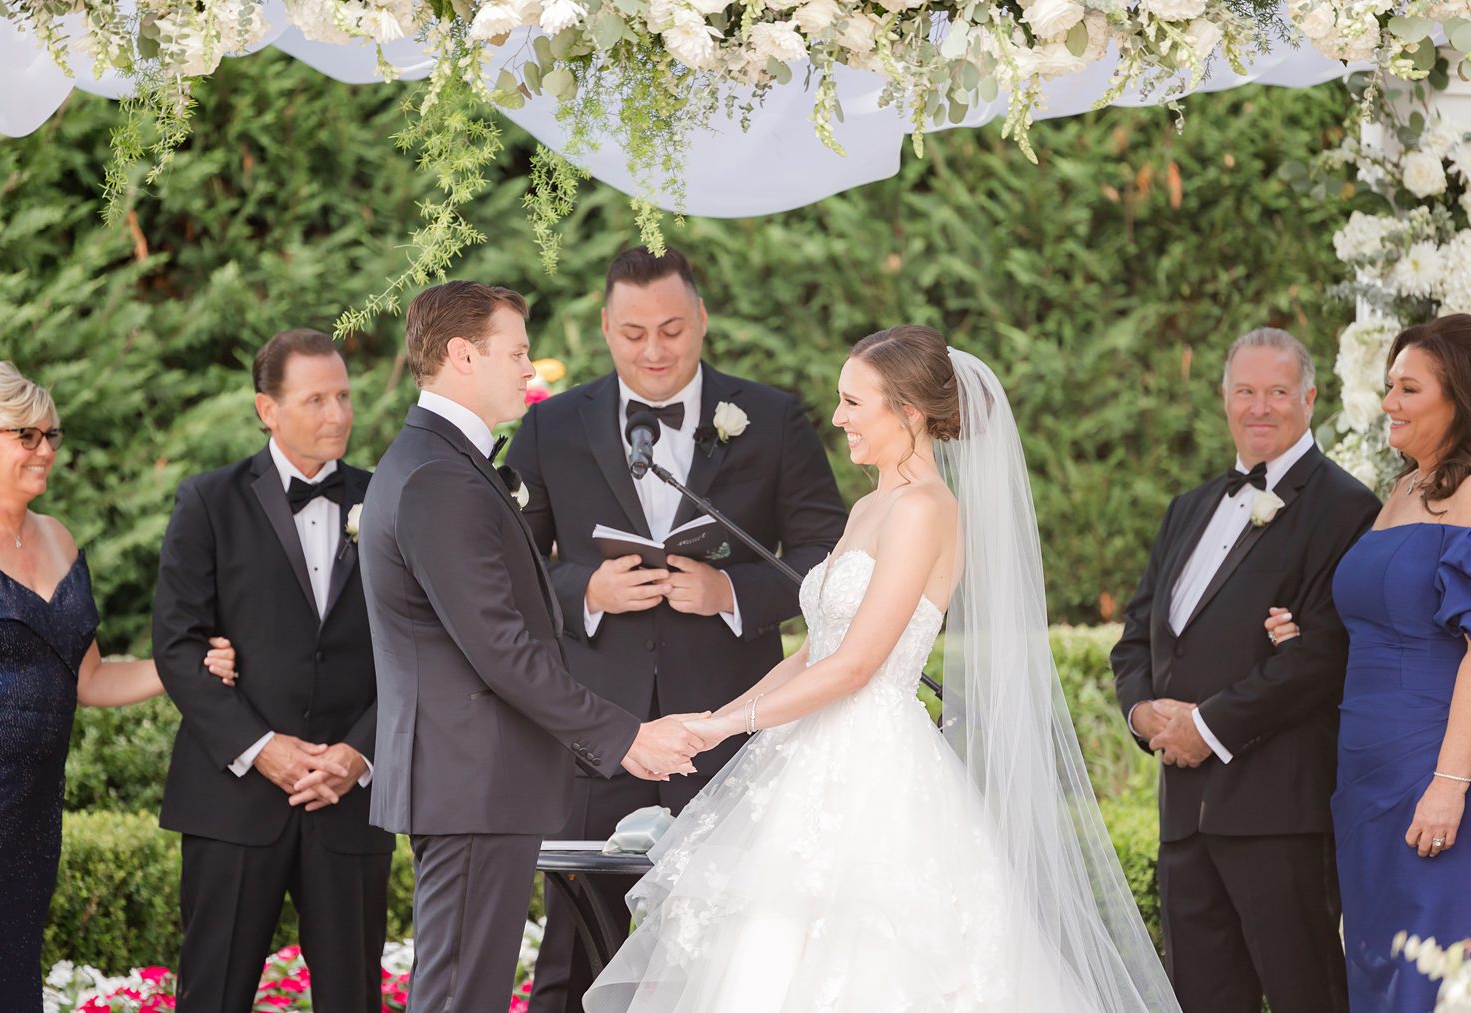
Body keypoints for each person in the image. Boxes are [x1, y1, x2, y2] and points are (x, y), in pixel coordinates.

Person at [585, 326, 1178, 1013]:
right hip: (809, 756)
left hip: (876, 767)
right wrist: (709, 722)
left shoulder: (926, 509)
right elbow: (814, 651)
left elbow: (860, 665)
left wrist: (725, 727)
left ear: (909, 412)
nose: (837, 418)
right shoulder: (871, 505)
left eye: (852, 402)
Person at [507, 245, 847, 1013]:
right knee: (571, 947)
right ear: (603, 327)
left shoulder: (773, 418)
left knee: (729, 944)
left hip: (728, 727)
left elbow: (830, 554)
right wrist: (584, 588)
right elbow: (509, 559)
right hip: (596, 727)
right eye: (633, 334)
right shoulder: (551, 425)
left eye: (671, 328)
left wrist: (734, 590)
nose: (654, 350)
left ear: (701, 318)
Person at [358, 279, 707, 1013]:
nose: (531, 369)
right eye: (516, 352)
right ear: (461, 355)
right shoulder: (436, 477)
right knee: (459, 996)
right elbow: (502, 648)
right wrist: (624, 736)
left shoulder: (443, 462)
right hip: (472, 783)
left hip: (477, 781)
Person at [0, 361, 237, 1010]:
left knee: (10, 981)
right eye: (26, 434)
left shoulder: (58, 538)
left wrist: (184, 666)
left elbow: (89, 677)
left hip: (31, 815)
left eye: (51, 434)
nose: (46, 449)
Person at [1111, 327, 1379, 1013]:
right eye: (1245, 391)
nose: (1260, 407)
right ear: (1224, 398)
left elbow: (1323, 654)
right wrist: (1145, 715)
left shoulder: (1347, 509)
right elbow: (1137, 640)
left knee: (1306, 996)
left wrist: (1207, 724)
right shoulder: (1187, 508)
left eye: (1278, 391)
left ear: (1310, 398)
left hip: (1278, 813)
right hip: (1183, 813)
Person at [153, 329, 394, 1013]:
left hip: (348, 803)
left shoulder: (389, 502)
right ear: (268, 408)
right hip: (231, 803)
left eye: (344, 396)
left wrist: (359, 753)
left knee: (354, 998)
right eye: (316, 399)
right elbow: (176, 644)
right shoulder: (207, 501)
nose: (338, 414)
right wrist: (263, 749)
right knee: (212, 995)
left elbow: (417, 648)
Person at [1268, 314, 1471, 1012]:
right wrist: (1302, 635)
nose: (1388, 401)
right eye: (1388, 385)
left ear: (1461, 398)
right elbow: (1385, 616)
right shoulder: (1405, 487)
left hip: (1431, 771)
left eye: (1409, 387)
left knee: (1430, 971)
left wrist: (1450, 782)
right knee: (1378, 971)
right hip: (1364, 776)